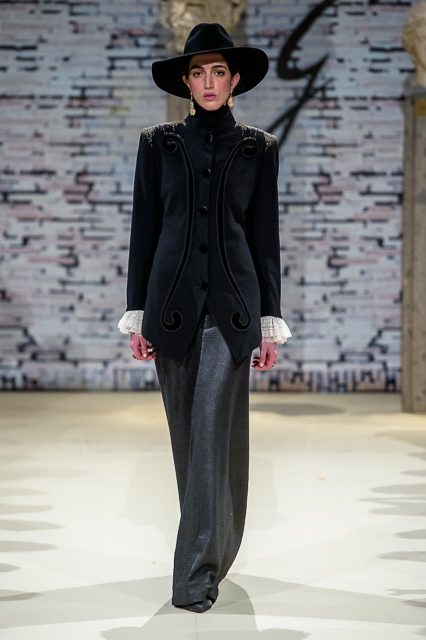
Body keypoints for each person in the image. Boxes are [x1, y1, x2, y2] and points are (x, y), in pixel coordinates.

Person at [118, 22, 291, 613]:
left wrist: (269, 321)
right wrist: (137, 312)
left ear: (234, 79)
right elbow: (144, 231)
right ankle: (218, 546)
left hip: (232, 313)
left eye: (219, 71)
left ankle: (193, 578)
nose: (209, 81)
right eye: (199, 72)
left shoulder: (258, 148)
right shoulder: (158, 144)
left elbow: (264, 238)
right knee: (190, 445)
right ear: (186, 83)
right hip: (170, 311)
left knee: (214, 436)